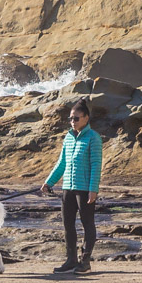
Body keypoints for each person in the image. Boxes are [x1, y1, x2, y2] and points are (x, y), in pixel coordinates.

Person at [42, 97, 102, 272]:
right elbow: (61, 163)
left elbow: (96, 166)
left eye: (76, 118)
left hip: (84, 190)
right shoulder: (68, 138)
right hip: (67, 187)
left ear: (86, 118)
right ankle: (71, 260)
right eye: (70, 118)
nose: (72, 122)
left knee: (87, 224)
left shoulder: (93, 138)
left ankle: (85, 261)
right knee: (68, 224)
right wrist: (48, 182)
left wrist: (93, 189)